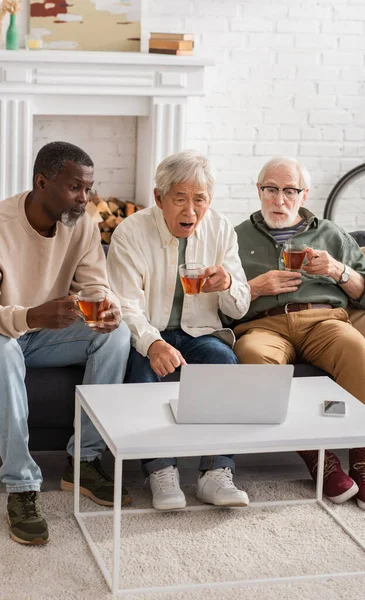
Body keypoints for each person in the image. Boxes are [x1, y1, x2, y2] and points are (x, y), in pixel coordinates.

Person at [234, 156, 365, 512]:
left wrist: (338, 271)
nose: (279, 199)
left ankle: (364, 459)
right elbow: (220, 304)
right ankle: (319, 457)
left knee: (353, 347)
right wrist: (254, 288)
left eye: (290, 190)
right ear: (258, 191)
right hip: (264, 325)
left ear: (304, 195)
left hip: (323, 321)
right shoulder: (236, 237)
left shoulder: (331, 234)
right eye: (271, 189)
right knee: (253, 356)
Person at [0, 142, 132, 546]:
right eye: (76, 187)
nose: (85, 198)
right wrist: (29, 317)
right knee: (4, 350)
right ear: (42, 182)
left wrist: (105, 308)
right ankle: (21, 485)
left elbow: (94, 283)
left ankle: (85, 461)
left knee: (116, 335)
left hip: (47, 335)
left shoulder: (84, 224)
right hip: (7, 332)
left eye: (89, 188)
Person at [107, 150, 251, 511]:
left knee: (224, 361)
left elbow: (240, 306)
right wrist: (152, 343)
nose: (190, 211)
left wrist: (228, 282)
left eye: (199, 200)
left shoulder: (220, 229)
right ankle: (161, 470)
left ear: (209, 201)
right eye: (180, 199)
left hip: (199, 334)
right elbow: (125, 304)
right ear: (159, 198)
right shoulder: (130, 232)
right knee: (140, 366)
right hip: (149, 330)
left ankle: (216, 473)